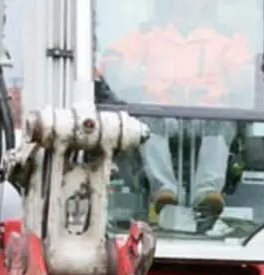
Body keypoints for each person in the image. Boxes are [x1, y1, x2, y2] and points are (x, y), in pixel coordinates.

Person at [96, 0, 252, 220]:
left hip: (208, 115)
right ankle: (164, 190)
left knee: (224, 118)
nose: (186, 4)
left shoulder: (225, 38)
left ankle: (208, 191)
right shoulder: (148, 34)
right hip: (162, 114)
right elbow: (112, 58)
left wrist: (236, 82)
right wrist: (127, 77)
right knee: (146, 121)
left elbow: (246, 75)